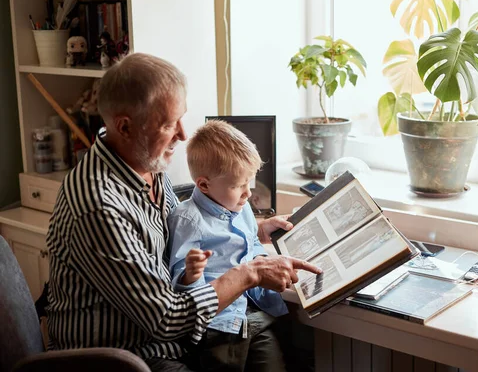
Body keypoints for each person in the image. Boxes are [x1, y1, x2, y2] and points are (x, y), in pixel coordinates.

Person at [44, 53, 321, 372]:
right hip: (128, 356)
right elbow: (167, 318)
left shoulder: (144, 163)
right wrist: (251, 273)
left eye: (181, 118)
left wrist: (255, 230)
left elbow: (185, 233)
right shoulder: (98, 206)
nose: (183, 134)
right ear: (125, 127)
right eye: (167, 124)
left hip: (170, 339)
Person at [168, 120, 288, 371]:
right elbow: (178, 279)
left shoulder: (239, 206)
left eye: (249, 183)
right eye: (237, 186)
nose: (247, 193)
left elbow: (249, 242)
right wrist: (190, 273)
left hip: (251, 315)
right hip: (218, 328)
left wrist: (261, 232)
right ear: (203, 184)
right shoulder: (187, 218)